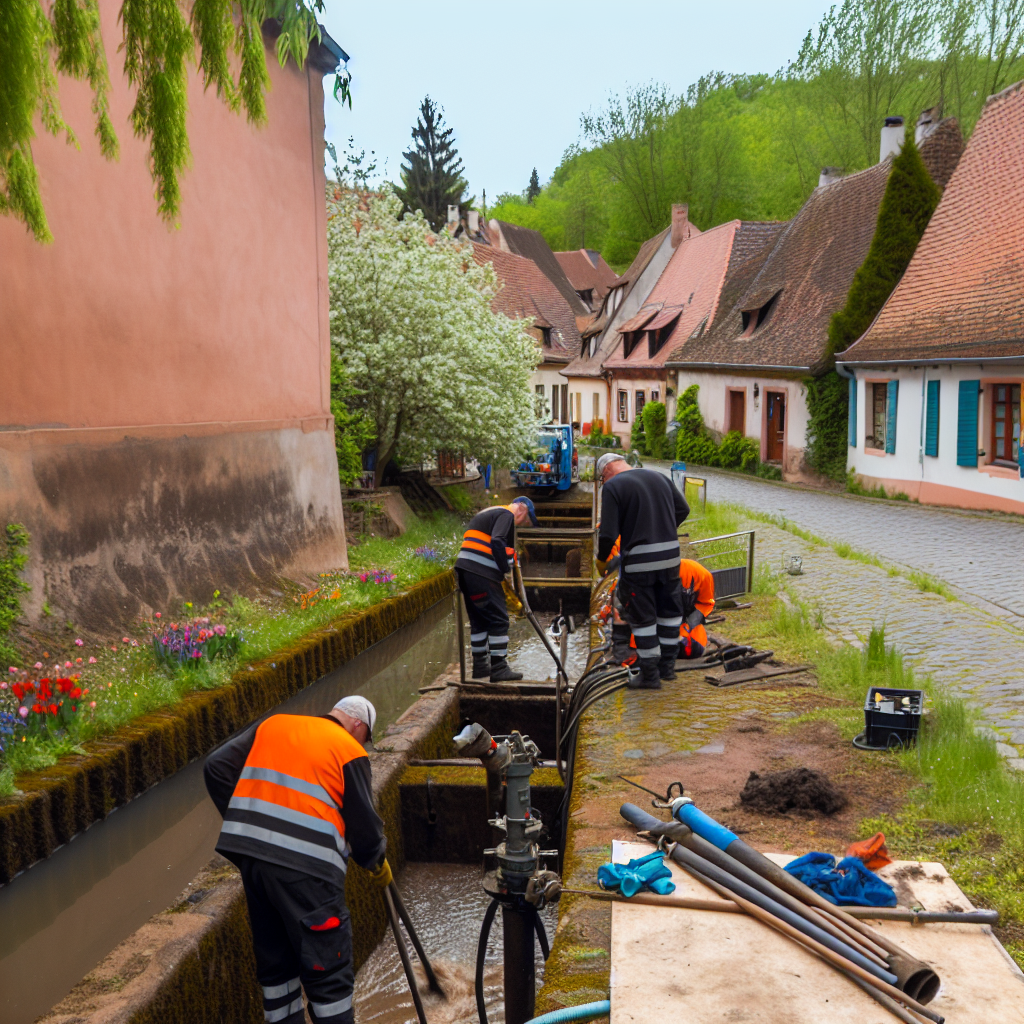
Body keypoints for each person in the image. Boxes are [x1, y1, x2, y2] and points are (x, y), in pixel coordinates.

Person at [204, 695, 387, 1024]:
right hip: (309, 873)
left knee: (278, 974)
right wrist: (375, 859)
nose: (365, 745)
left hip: (256, 868)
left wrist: (248, 827)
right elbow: (365, 828)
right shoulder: (349, 750)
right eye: (366, 737)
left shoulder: (275, 725)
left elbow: (216, 767)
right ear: (357, 725)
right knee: (329, 978)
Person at [596, 453, 688, 688]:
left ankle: (649, 678)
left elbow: (607, 533)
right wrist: (663, 530)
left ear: (606, 471)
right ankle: (667, 670)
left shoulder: (614, 486)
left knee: (643, 618)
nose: (602, 483)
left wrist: (602, 558)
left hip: (639, 564)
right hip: (671, 559)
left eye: (600, 479)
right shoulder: (658, 477)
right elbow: (683, 509)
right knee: (669, 614)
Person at [454, 496, 538, 681]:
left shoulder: (488, 512)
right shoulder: (506, 513)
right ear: (522, 510)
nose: (522, 523)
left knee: (479, 621)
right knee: (499, 619)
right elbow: (497, 541)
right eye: (525, 520)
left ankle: (480, 667)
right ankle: (499, 668)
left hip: (465, 571)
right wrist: (504, 569)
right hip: (482, 573)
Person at [605, 541, 715, 663]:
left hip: (683, 627)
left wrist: (687, 627)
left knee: (693, 650)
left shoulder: (698, 574)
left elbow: (705, 604)